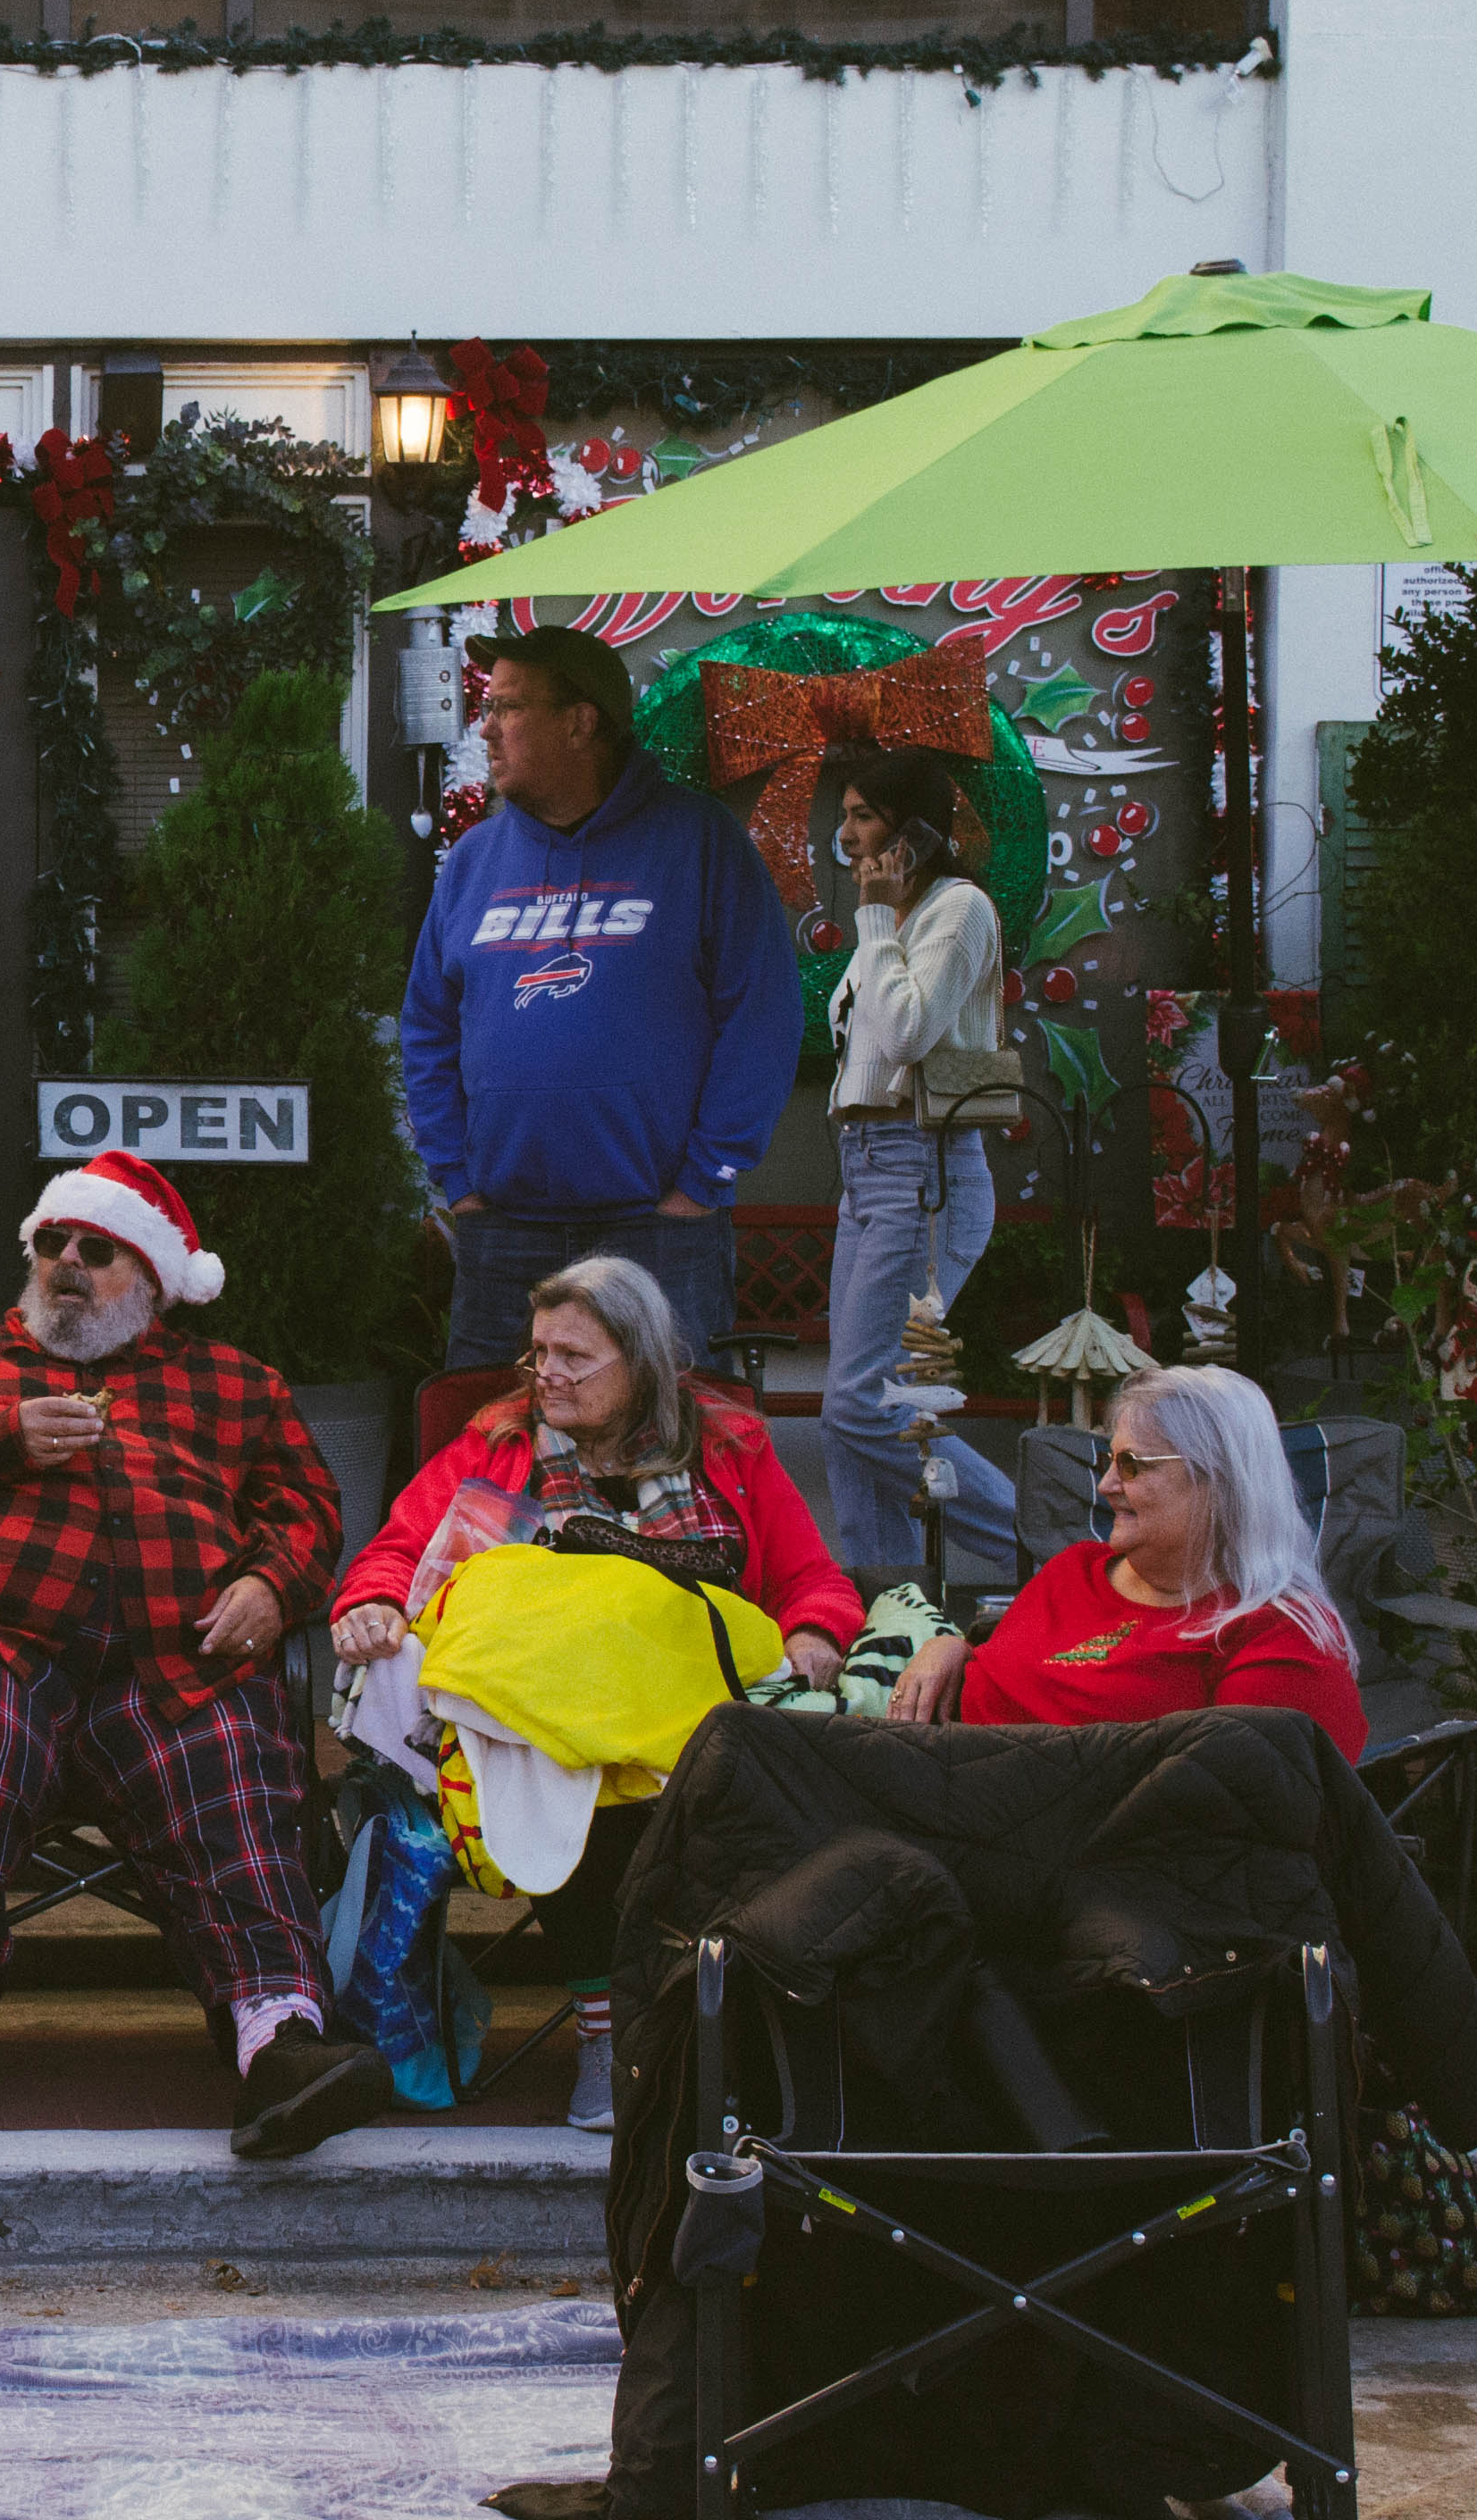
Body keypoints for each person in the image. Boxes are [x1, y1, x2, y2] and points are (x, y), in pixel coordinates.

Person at [0, 1151, 382, 2159]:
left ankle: (278, 2043)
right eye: (53, 1242)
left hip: (172, 1654)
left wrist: (273, 1587)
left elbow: (308, 1510)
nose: (68, 1263)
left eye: (99, 1251)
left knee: (234, 1758)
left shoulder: (235, 1383)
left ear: (154, 1281)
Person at [331, 1253, 857, 2131]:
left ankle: (688, 2021)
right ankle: (612, 2033)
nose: (548, 1375)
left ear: (642, 1361)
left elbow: (812, 1579)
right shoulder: (498, 1443)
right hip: (542, 1714)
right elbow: (397, 1551)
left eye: (574, 1357)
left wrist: (815, 1633)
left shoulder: (727, 1446)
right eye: (539, 1354)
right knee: (556, 1771)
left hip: (690, 1706)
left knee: (706, 1774)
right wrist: (375, 1603)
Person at [399, 624, 801, 1370]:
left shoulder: (700, 843)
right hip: (504, 1233)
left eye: (508, 707)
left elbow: (763, 1017)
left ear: (580, 722)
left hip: (659, 1232)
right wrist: (456, 1178)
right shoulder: (476, 860)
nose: (486, 728)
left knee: (668, 1432)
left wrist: (704, 1180)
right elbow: (427, 1026)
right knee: (491, 1432)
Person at [886, 1365, 1365, 1756]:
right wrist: (953, 1649)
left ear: (1217, 1480)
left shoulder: (1275, 1639)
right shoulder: (1075, 1570)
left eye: (1132, 1465)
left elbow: (1249, 1813)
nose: (1106, 1486)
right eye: (1108, 1461)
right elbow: (1012, 1667)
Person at [819, 749, 1023, 1578]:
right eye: (846, 815)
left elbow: (908, 1034)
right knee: (851, 1415)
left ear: (913, 832)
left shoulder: (957, 909)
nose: (846, 834)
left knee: (859, 1404)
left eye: (863, 816)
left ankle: (1045, 1548)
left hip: (922, 1170)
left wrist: (874, 922)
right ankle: (887, 1602)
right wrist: (880, 923)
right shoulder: (898, 919)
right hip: (868, 1170)